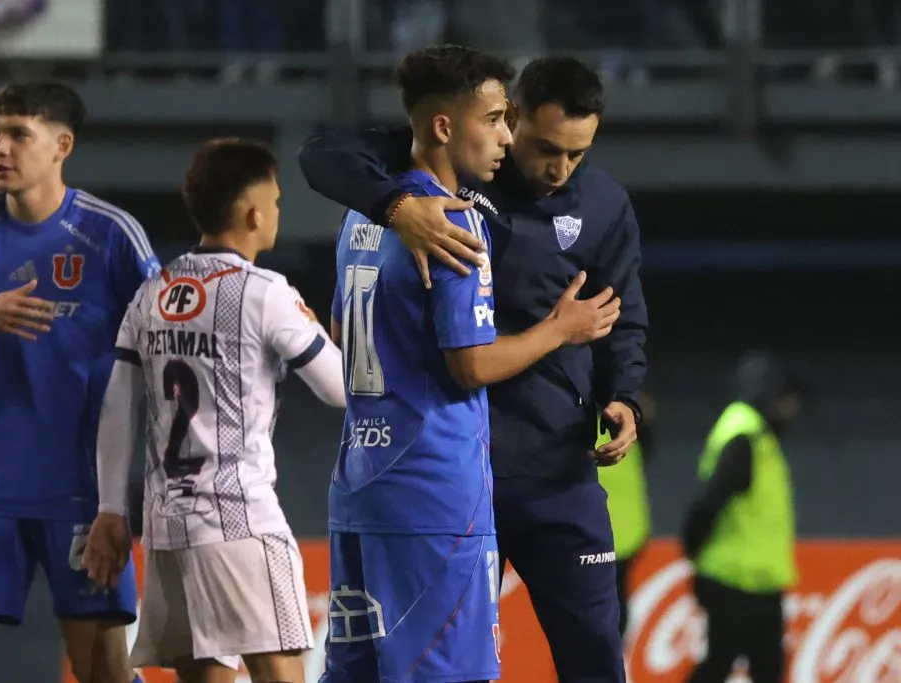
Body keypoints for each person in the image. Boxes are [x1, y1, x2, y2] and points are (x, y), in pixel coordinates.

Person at [299, 55, 647, 681]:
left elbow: (623, 314)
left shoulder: (363, 218)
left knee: (359, 670)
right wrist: (399, 205)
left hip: (407, 474)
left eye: (578, 154)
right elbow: (470, 364)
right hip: (446, 479)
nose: (555, 165)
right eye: (536, 141)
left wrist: (624, 395)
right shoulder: (443, 212)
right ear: (507, 115)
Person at [0, 82, 159, 683]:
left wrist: (128, 492)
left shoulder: (110, 233)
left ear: (61, 146)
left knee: (100, 667)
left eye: (19, 133)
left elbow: (166, 342)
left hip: (80, 488)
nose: (0, 146)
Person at [83, 138, 346, 683]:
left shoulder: (153, 293)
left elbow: (117, 404)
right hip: (240, 518)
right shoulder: (265, 292)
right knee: (280, 672)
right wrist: (333, 337)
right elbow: (341, 389)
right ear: (252, 212)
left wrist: (111, 507)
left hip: (166, 526)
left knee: (204, 674)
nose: (277, 213)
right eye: (274, 203)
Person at [682, 351, 803, 683]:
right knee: (726, 666)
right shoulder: (745, 437)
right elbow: (708, 502)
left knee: (755, 667)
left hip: (755, 581)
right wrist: (694, 550)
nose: (793, 407)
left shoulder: (754, 435)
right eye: (788, 398)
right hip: (735, 581)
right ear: (769, 393)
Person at [596, 392, 656, 637]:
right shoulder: (584, 421)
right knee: (598, 623)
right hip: (598, 541)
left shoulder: (628, 423)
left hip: (621, 540)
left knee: (612, 619)